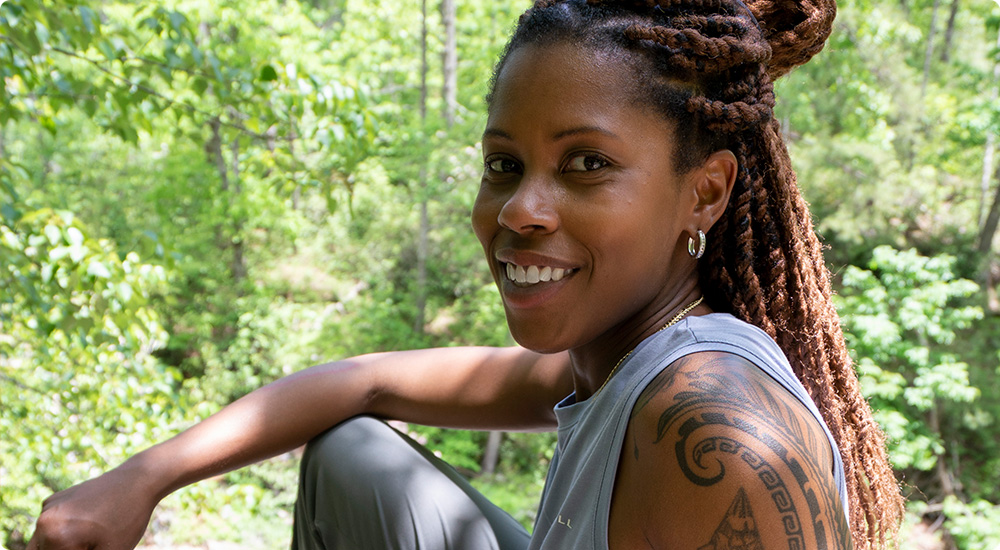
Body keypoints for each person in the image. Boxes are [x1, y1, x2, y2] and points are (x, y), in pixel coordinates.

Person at [28, 0, 906, 548]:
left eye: (587, 165)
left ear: (705, 193)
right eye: (502, 164)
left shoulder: (713, 425)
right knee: (353, 455)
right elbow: (362, 382)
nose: (520, 209)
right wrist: (142, 476)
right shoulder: (615, 362)